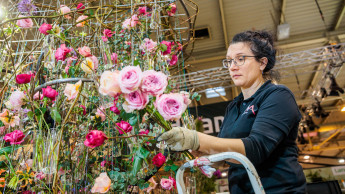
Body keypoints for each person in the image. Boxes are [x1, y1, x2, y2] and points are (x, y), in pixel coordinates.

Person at [158, 30, 307, 193]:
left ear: (262, 63)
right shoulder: (234, 106)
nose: (233, 67)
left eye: (241, 59)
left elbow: (256, 149)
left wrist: (197, 139)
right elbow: (224, 160)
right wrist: (202, 151)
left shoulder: (277, 96)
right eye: (229, 61)